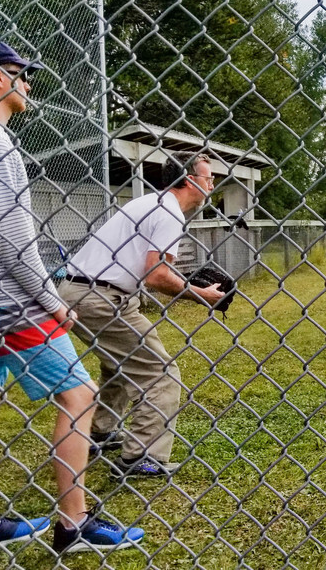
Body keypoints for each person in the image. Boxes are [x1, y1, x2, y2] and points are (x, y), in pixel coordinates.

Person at [0, 38, 143, 556]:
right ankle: (74, 525)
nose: (28, 85)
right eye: (21, 74)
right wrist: (52, 301)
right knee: (79, 396)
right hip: (12, 302)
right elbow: (13, 238)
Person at [59, 151, 224, 480]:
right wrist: (201, 294)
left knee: (119, 363)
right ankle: (142, 457)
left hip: (82, 291)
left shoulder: (152, 202)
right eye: (208, 178)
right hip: (101, 296)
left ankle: (101, 431)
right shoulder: (169, 213)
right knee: (160, 372)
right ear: (191, 181)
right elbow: (157, 275)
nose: (212, 183)